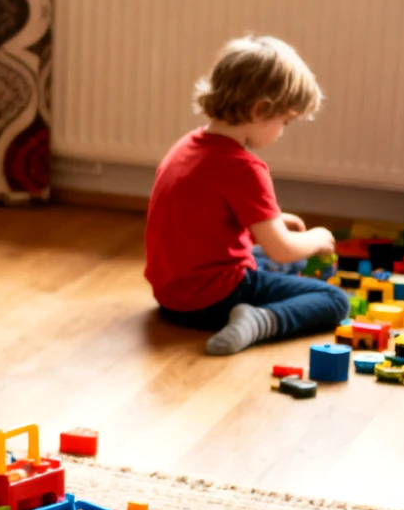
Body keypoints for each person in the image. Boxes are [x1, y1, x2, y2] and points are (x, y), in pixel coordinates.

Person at [144, 36, 347, 355]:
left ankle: (252, 311)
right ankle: (259, 320)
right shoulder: (244, 168)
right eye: (285, 121)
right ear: (260, 109)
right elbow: (282, 250)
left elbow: (202, 218)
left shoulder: (186, 147)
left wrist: (273, 220)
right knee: (333, 300)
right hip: (214, 300)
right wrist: (318, 238)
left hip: (172, 298)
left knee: (274, 261)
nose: (283, 131)